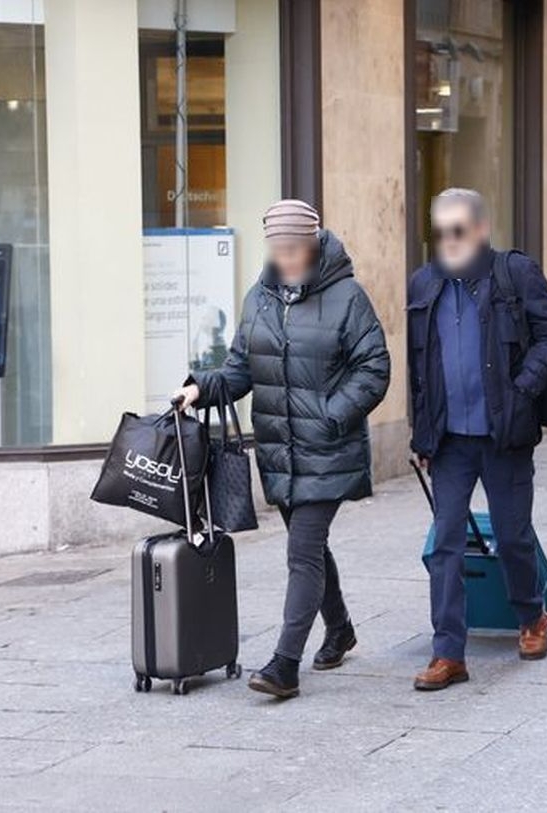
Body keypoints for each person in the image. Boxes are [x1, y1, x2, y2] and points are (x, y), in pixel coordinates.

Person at [173, 199, 390, 699]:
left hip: (327, 449)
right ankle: (340, 628)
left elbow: (375, 367)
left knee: (302, 552)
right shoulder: (260, 298)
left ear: (313, 244)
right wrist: (200, 388)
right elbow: (241, 369)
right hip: (279, 452)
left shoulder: (348, 297)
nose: (286, 258)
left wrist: (332, 415)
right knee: (310, 548)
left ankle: (284, 665)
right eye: (278, 249)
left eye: (294, 249)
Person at [406, 188, 547, 691]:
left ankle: (531, 615)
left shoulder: (514, 274)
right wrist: (422, 434)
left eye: (457, 230)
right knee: (446, 544)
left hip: (504, 435)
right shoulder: (424, 283)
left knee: (513, 534)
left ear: (480, 230)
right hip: (449, 442)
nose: (447, 240)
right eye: (439, 231)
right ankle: (447, 652)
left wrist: (523, 389)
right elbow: (421, 367)